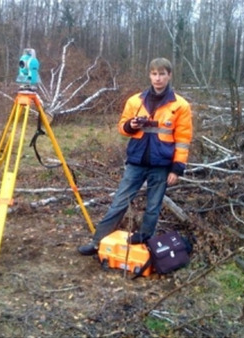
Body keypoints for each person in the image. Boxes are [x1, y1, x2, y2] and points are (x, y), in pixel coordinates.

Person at [78, 57, 193, 256]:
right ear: (149, 75)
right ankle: (97, 242)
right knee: (119, 203)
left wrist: (177, 168)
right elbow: (122, 128)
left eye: (162, 74)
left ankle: (146, 242)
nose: (157, 78)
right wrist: (131, 125)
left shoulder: (180, 106)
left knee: (153, 207)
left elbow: (183, 139)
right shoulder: (135, 101)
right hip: (136, 162)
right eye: (154, 74)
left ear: (169, 76)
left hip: (162, 164)